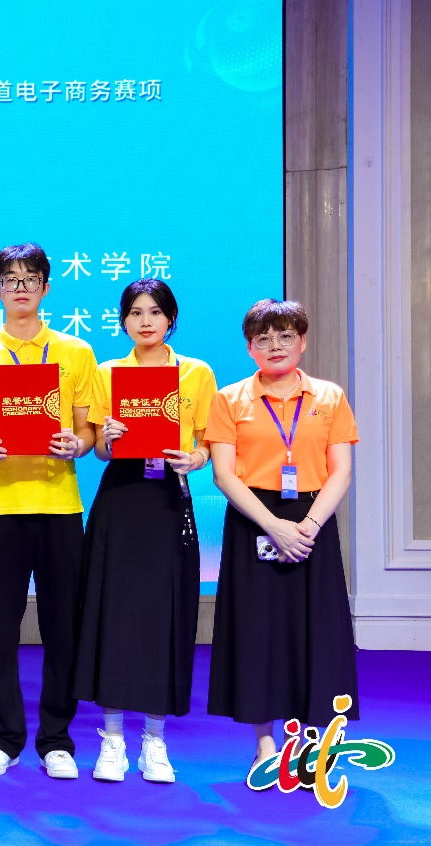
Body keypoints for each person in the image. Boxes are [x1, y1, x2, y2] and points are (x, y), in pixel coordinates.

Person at [72, 278, 218, 784]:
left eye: (155, 312)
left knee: (164, 616)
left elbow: (208, 442)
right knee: (113, 613)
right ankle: (112, 738)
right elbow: (99, 449)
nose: (145, 321)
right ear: (123, 322)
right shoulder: (107, 373)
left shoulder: (196, 373)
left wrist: (195, 459)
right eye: (135, 313)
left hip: (168, 500)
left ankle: (154, 740)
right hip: (121, 500)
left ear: (170, 319)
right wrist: (109, 439)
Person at [205, 299, 359, 773]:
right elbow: (223, 475)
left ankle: (313, 744)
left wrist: (308, 526)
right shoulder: (230, 398)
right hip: (253, 519)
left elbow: (341, 470)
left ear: (302, 341)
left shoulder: (329, 396)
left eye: (286, 336)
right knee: (258, 634)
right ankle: (266, 745)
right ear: (250, 347)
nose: (275, 346)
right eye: (263, 339)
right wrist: (273, 526)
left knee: (318, 632)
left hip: (313, 520)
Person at [0, 242, 98, 780]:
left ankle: (56, 739)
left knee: (62, 625)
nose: (20, 287)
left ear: (45, 287)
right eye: (10, 279)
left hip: (59, 506)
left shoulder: (75, 352)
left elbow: (87, 432)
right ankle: (3, 738)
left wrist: (76, 444)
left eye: (30, 278)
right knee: (0, 626)